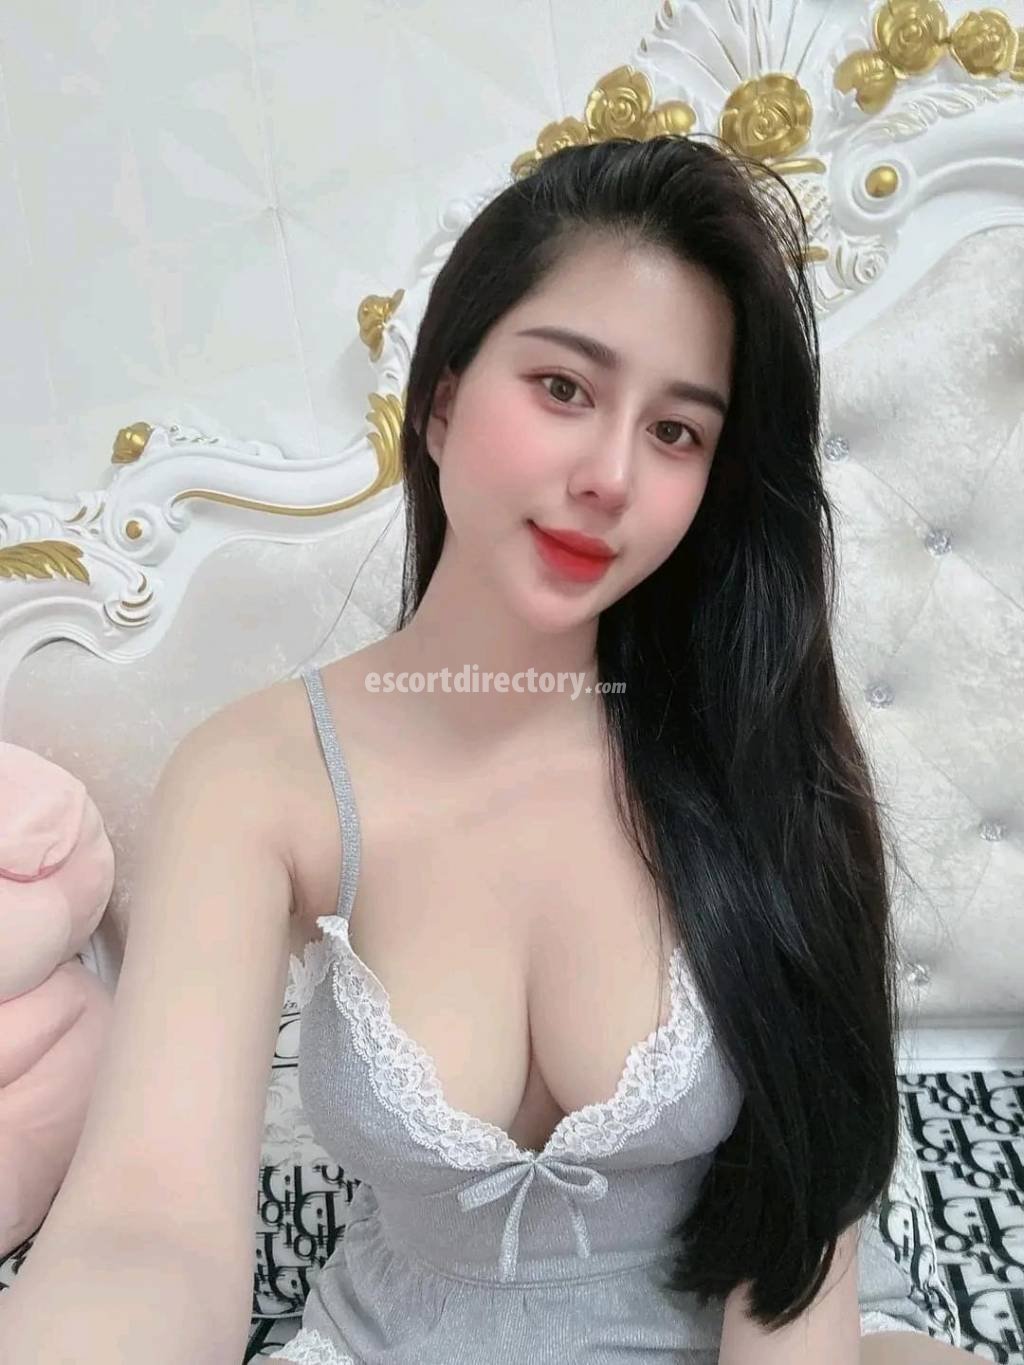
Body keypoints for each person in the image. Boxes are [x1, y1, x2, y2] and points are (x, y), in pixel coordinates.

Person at [0, 135, 976, 1364]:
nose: (610, 476)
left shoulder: (760, 742)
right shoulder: (257, 778)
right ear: (444, 399)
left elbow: (798, 1224)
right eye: (564, 388)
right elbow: (148, 1222)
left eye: (676, 432)